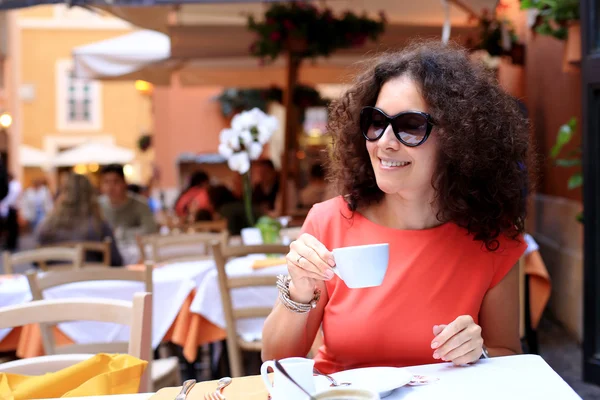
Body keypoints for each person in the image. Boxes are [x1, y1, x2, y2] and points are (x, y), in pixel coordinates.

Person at [262, 40, 530, 372]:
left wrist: (481, 353)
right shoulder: (328, 222)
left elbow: (511, 357)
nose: (385, 141)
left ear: (460, 139)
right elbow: (274, 361)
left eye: (410, 126)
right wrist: (299, 291)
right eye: (376, 122)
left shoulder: (493, 239)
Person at [35, 173, 123, 266]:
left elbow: (36, 260)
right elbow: (116, 261)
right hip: (91, 278)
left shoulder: (47, 225)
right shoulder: (99, 225)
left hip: (55, 279)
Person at [98, 164, 157, 239]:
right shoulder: (97, 205)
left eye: (115, 182)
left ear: (124, 183)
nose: (110, 187)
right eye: (106, 182)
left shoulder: (140, 203)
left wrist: (120, 233)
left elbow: (151, 229)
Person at [0, 173, 21, 251]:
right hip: (10, 208)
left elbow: (11, 198)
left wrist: (3, 203)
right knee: (11, 227)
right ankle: (10, 243)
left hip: (11, 208)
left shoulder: (14, 185)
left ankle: (12, 244)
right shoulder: (14, 185)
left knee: (12, 227)